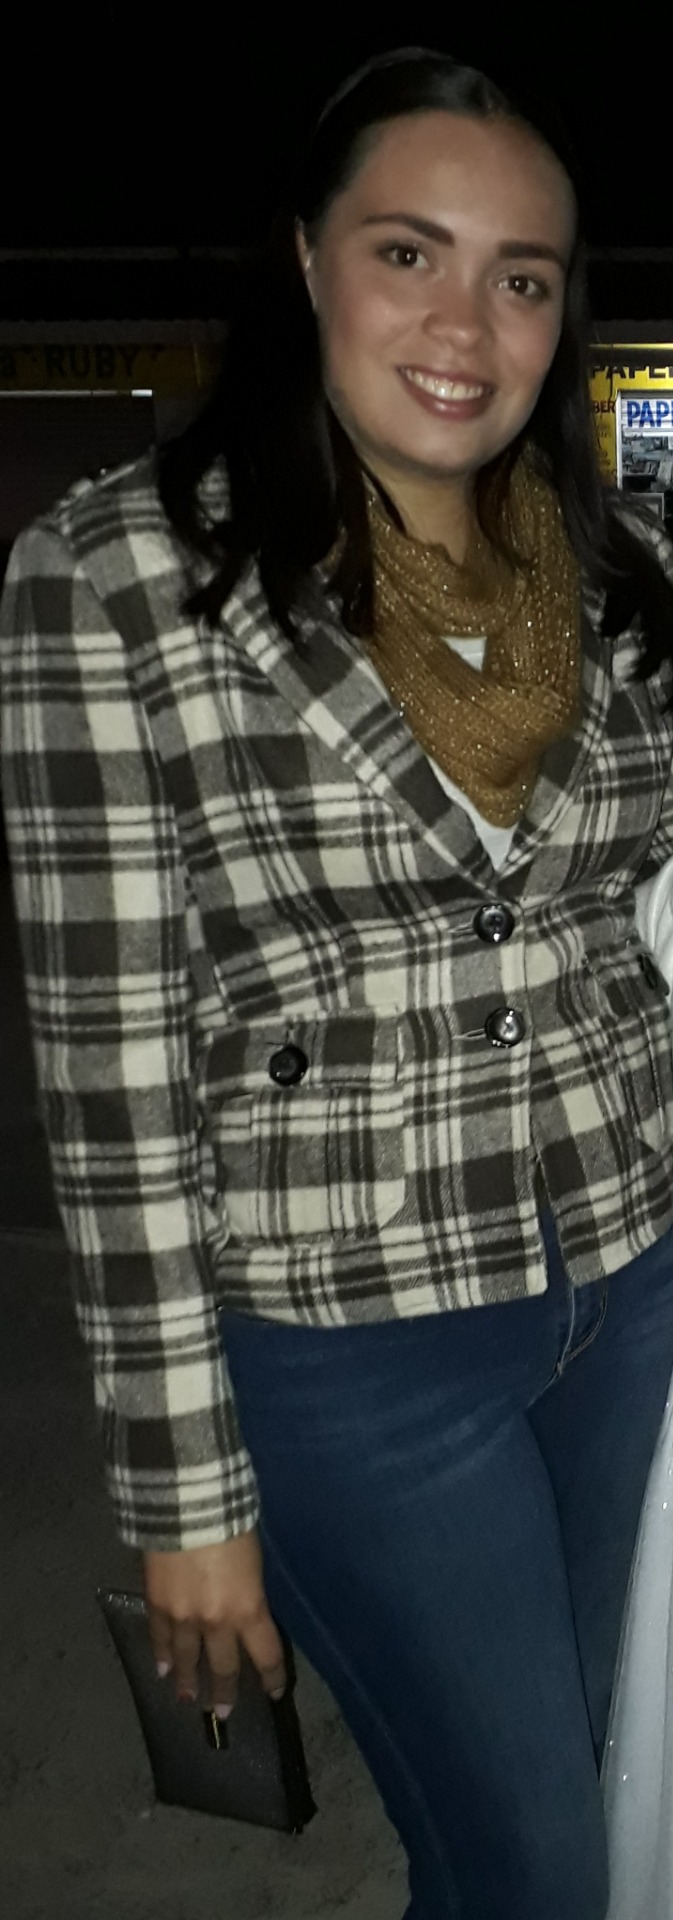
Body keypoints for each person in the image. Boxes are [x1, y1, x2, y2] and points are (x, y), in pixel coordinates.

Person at [2, 46, 673, 1920]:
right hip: (353, 1343)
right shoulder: (119, 576)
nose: (466, 324)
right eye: (407, 252)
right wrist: (182, 1497)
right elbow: (113, 1074)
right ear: (306, 260)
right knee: (527, 1861)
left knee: (599, 1781)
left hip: (630, 1281)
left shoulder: (622, 574)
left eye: (520, 276)